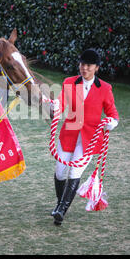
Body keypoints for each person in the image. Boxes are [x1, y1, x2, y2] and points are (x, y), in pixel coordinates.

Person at [51, 49, 119, 226]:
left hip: (90, 138)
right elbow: (61, 102)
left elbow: (112, 113)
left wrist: (112, 122)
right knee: (60, 172)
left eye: (88, 65)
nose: (84, 68)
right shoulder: (69, 82)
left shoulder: (105, 88)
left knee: (74, 172)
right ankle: (60, 203)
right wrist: (55, 106)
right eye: (82, 64)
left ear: (96, 68)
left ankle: (61, 210)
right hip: (69, 134)